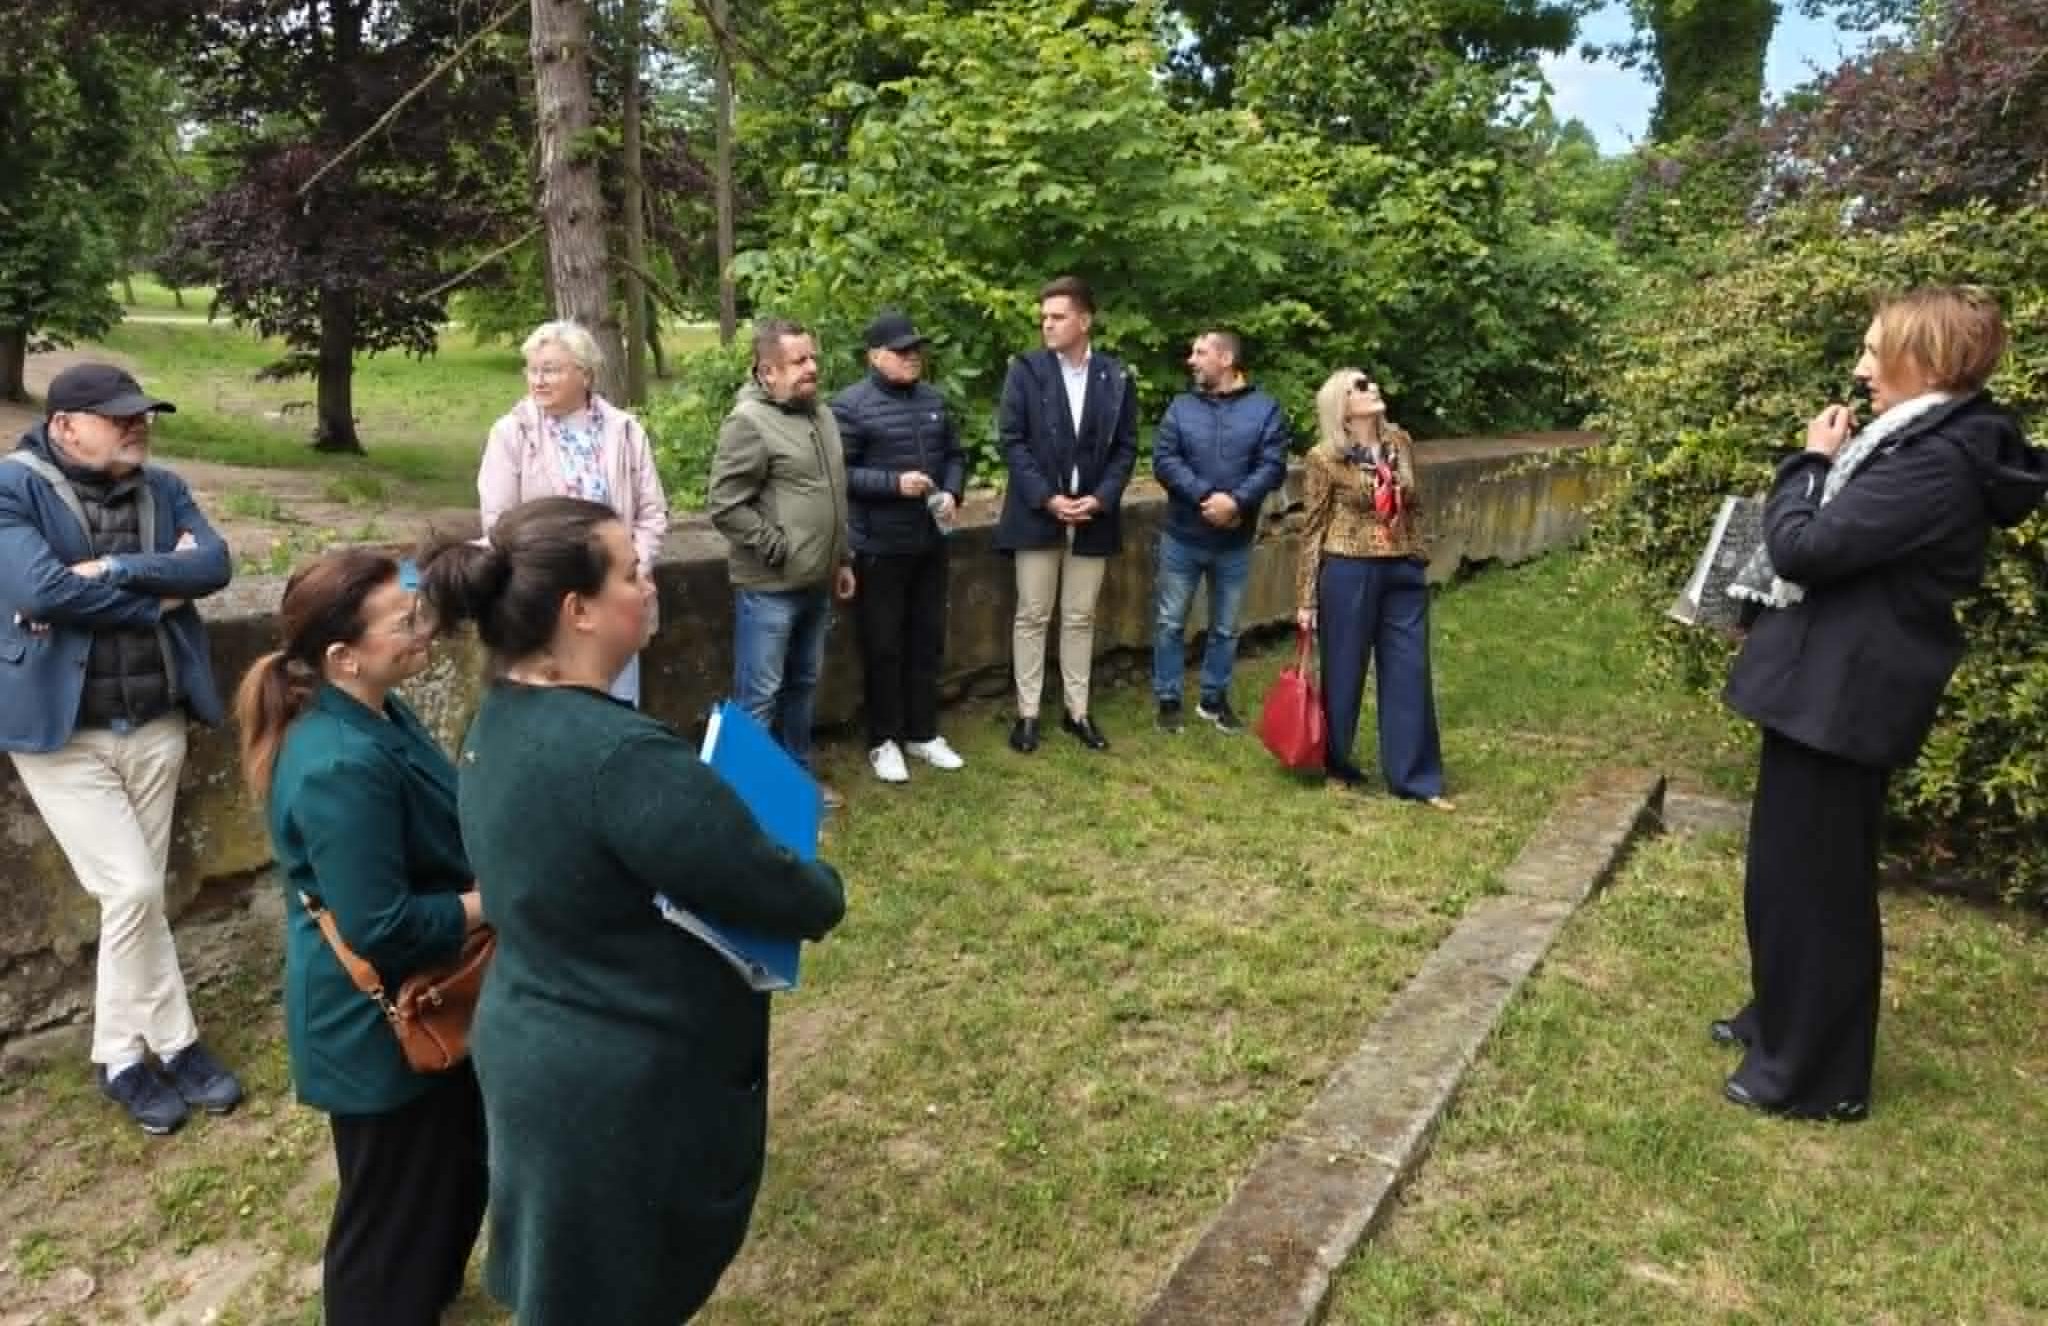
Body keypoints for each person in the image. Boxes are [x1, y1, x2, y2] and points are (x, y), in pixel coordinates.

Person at [417, 496, 846, 1326]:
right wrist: (815, 880)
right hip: (613, 1090)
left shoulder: (497, 716)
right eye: (631, 572)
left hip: (533, 1048)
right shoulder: (619, 757)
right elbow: (783, 888)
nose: (650, 585)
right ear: (577, 610)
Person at [1714, 286, 2046, 1122]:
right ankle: (1779, 1022)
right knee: (1785, 874)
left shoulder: (1938, 463)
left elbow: (1806, 547)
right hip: (1822, 689)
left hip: (1848, 697)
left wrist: (1810, 463)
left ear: (1927, 362)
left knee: (1819, 885)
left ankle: (1818, 1077)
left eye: (1875, 351)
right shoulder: (1912, 442)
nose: (1861, 368)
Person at [234, 550, 488, 1325]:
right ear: (344, 657)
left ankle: (426, 1295)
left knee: (446, 1173)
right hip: (375, 1024)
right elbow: (381, 927)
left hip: (425, 999)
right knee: (387, 1220)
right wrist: (492, 902)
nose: (425, 627)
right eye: (404, 620)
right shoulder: (339, 763)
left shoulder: (374, 709)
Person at [0, 362, 243, 1135]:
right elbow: (41, 591)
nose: (139, 425)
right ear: (66, 425)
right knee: (135, 889)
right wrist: (159, 597)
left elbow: (214, 565)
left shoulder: (163, 486)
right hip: (63, 736)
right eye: (119, 416)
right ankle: (166, 1045)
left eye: (143, 413)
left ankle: (128, 1053)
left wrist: (115, 569)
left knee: (133, 901)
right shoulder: (13, 488)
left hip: (155, 722)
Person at [477, 319, 669, 706]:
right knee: (552, 710)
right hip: (546, 604)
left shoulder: (625, 431)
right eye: (532, 369)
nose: (538, 380)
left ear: (585, 373)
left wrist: (633, 568)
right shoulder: (512, 433)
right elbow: (499, 523)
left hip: (613, 597)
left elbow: (651, 512)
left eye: (551, 370)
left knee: (617, 708)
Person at [707, 317, 857, 804]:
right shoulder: (748, 423)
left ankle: (795, 785)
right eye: (798, 361)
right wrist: (777, 547)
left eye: (812, 357)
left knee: (803, 685)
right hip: (770, 588)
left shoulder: (821, 415)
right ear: (767, 371)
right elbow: (725, 505)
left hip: (816, 581)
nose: (812, 368)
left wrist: (842, 559)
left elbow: (832, 496)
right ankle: (747, 800)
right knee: (759, 696)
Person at [1295, 370, 1453, 809]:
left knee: (1410, 669)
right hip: (1349, 568)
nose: (1373, 388)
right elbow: (1312, 528)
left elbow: (1414, 504)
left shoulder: (1399, 442)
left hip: (1402, 567)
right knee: (1344, 670)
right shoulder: (1324, 457)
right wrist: (1305, 598)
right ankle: (1337, 764)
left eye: (1373, 382)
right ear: (1342, 405)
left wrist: (1418, 553)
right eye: (1360, 387)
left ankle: (1415, 778)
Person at [993, 275, 1139, 753]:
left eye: (1058, 317)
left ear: (1084, 320)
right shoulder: (1026, 370)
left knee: (1080, 616)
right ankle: (1028, 713)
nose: (1047, 325)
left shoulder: (1115, 377)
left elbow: (1126, 448)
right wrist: (1046, 498)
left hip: (1093, 515)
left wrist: (1102, 498)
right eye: (1044, 318)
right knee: (1032, 614)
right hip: (1038, 512)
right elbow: (1012, 440)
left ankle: (1078, 711)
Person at [830, 310, 969, 784]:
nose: (913, 357)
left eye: (916, 349)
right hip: (879, 546)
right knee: (884, 645)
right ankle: (883, 740)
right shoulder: (850, 406)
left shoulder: (933, 400)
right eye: (901, 350)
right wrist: (894, 484)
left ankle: (922, 733)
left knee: (927, 640)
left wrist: (952, 492)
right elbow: (839, 474)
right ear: (875, 356)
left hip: (929, 542)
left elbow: (955, 456)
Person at [1150, 329, 1290, 733]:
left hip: (1234, 541)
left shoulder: (1265, 410)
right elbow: (1165, 460)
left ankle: (1213, 699)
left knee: (1226, 628)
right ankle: (1168, 699)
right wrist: (1206, 498)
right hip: (1182, 536)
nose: (1191, 360)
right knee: (1170, 622)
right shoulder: (1181, 408)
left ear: (1226, 359)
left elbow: (1272, 465)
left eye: (1200, 353)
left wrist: (1237, 503)